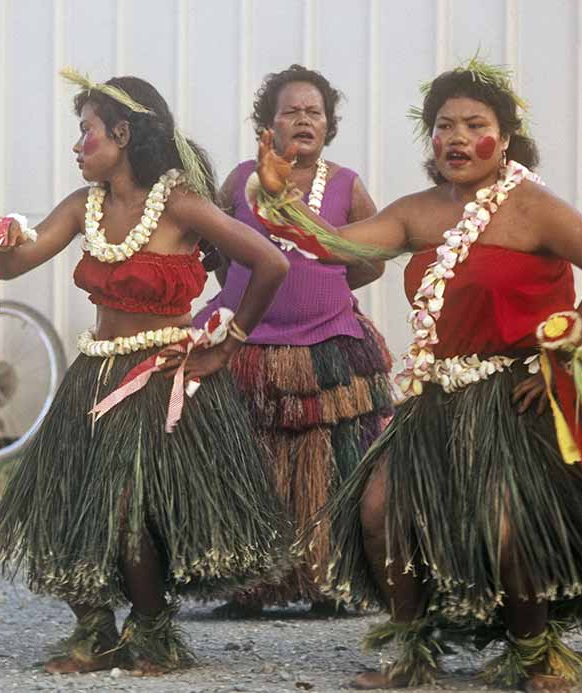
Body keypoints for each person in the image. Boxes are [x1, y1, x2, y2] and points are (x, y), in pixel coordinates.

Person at [250, 59, 582, 691]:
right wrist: (280, 198)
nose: (456, 137)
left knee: (507, 529)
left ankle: (535, 655)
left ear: (505, 138)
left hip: (513, 396)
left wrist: (565, 347)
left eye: (474, 124)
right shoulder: (417, 211)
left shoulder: (534, 209)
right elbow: (336, 247)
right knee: (380, 512)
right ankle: (412, 654)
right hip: (436, 398)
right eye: (444, 125)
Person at [0, 71, 292, 675]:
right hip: (96, 376)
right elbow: (18, 264)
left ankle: (151, 633)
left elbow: (269, 263)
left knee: (126, 507)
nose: (77, 145)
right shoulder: (83, 206)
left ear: (122, 134)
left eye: (86, 132)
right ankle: (94, 633)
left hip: (161, 376)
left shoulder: (178, 203)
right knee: (67, 502)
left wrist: (229, 342)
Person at [195, 64, 392, 619]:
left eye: (315, 113)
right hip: (242, 345)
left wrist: (321, 289)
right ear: (267, 124)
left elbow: (371, 262)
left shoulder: (348, 187)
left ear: (328, 126)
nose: (304, 121)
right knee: (247, 460)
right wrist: (246, 299)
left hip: (326, 349)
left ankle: (330, 580)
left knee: (325, 464)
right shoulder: (238, 182)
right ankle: (248, 582)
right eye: (291, 112)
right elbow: (218, 255)